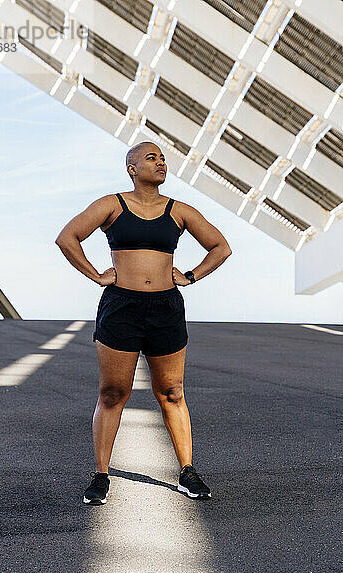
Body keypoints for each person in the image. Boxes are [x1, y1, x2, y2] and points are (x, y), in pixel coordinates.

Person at [55, 140, 232, 505]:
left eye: (164, 158)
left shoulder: (180, 210)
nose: (161, 163)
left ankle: (187, 471)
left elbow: (221, 247)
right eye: (152, 158)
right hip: (122, 307)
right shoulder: (112, 205)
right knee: (113, 393)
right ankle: (101, 475)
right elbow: (67, 237)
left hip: (166, 308)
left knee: (172, 393)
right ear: (132, 168)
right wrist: (95, 275)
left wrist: (191, 275)